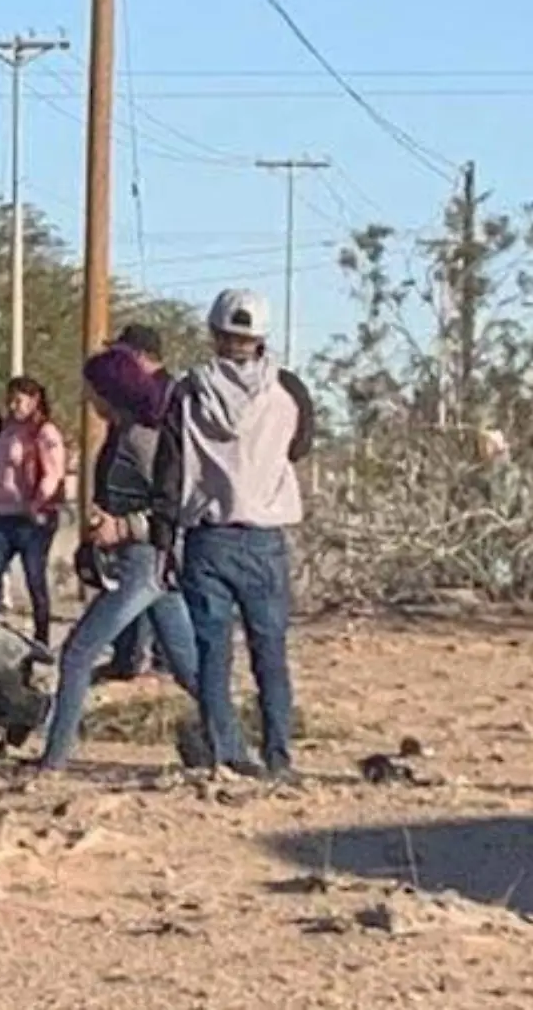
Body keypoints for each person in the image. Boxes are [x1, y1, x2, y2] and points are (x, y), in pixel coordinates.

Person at [150, 288, 315, 781]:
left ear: (214, 333)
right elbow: (301, 446)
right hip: (264, 538)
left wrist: (163, 538)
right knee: (271, 653)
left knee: (213, 656)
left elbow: (169, 471)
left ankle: (226, 753)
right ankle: (279, 756)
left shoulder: (187, 391)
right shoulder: (289, 389)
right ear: (260, 338)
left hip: (209, 537)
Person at [36, 346, 201, 772]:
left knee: (77, 653)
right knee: (189, 669)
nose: (88, 399)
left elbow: (169, 509)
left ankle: (53, 759)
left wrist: (123, 528)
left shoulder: (141, 440)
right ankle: (230, 747)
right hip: (148, 570)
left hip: (142, 565)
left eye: (93, 390)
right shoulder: (123, 434)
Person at [105, 323, 173, 681]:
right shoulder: (135, 401)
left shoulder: (161, 398)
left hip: (147, 526)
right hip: (130, 521)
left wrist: (140, 522)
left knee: (81, 649)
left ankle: (141, 660)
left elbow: (161, 475)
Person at [0, 376, 64, 644]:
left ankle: (41, 637)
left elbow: (53, 473)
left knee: (34, 577)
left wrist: (37, 503)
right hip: (2, 514)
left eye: (19, 400)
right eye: (10, 399)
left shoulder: (45, 433)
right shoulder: (5, 430)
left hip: (33, 519)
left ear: (34, 400)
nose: (13, 406)